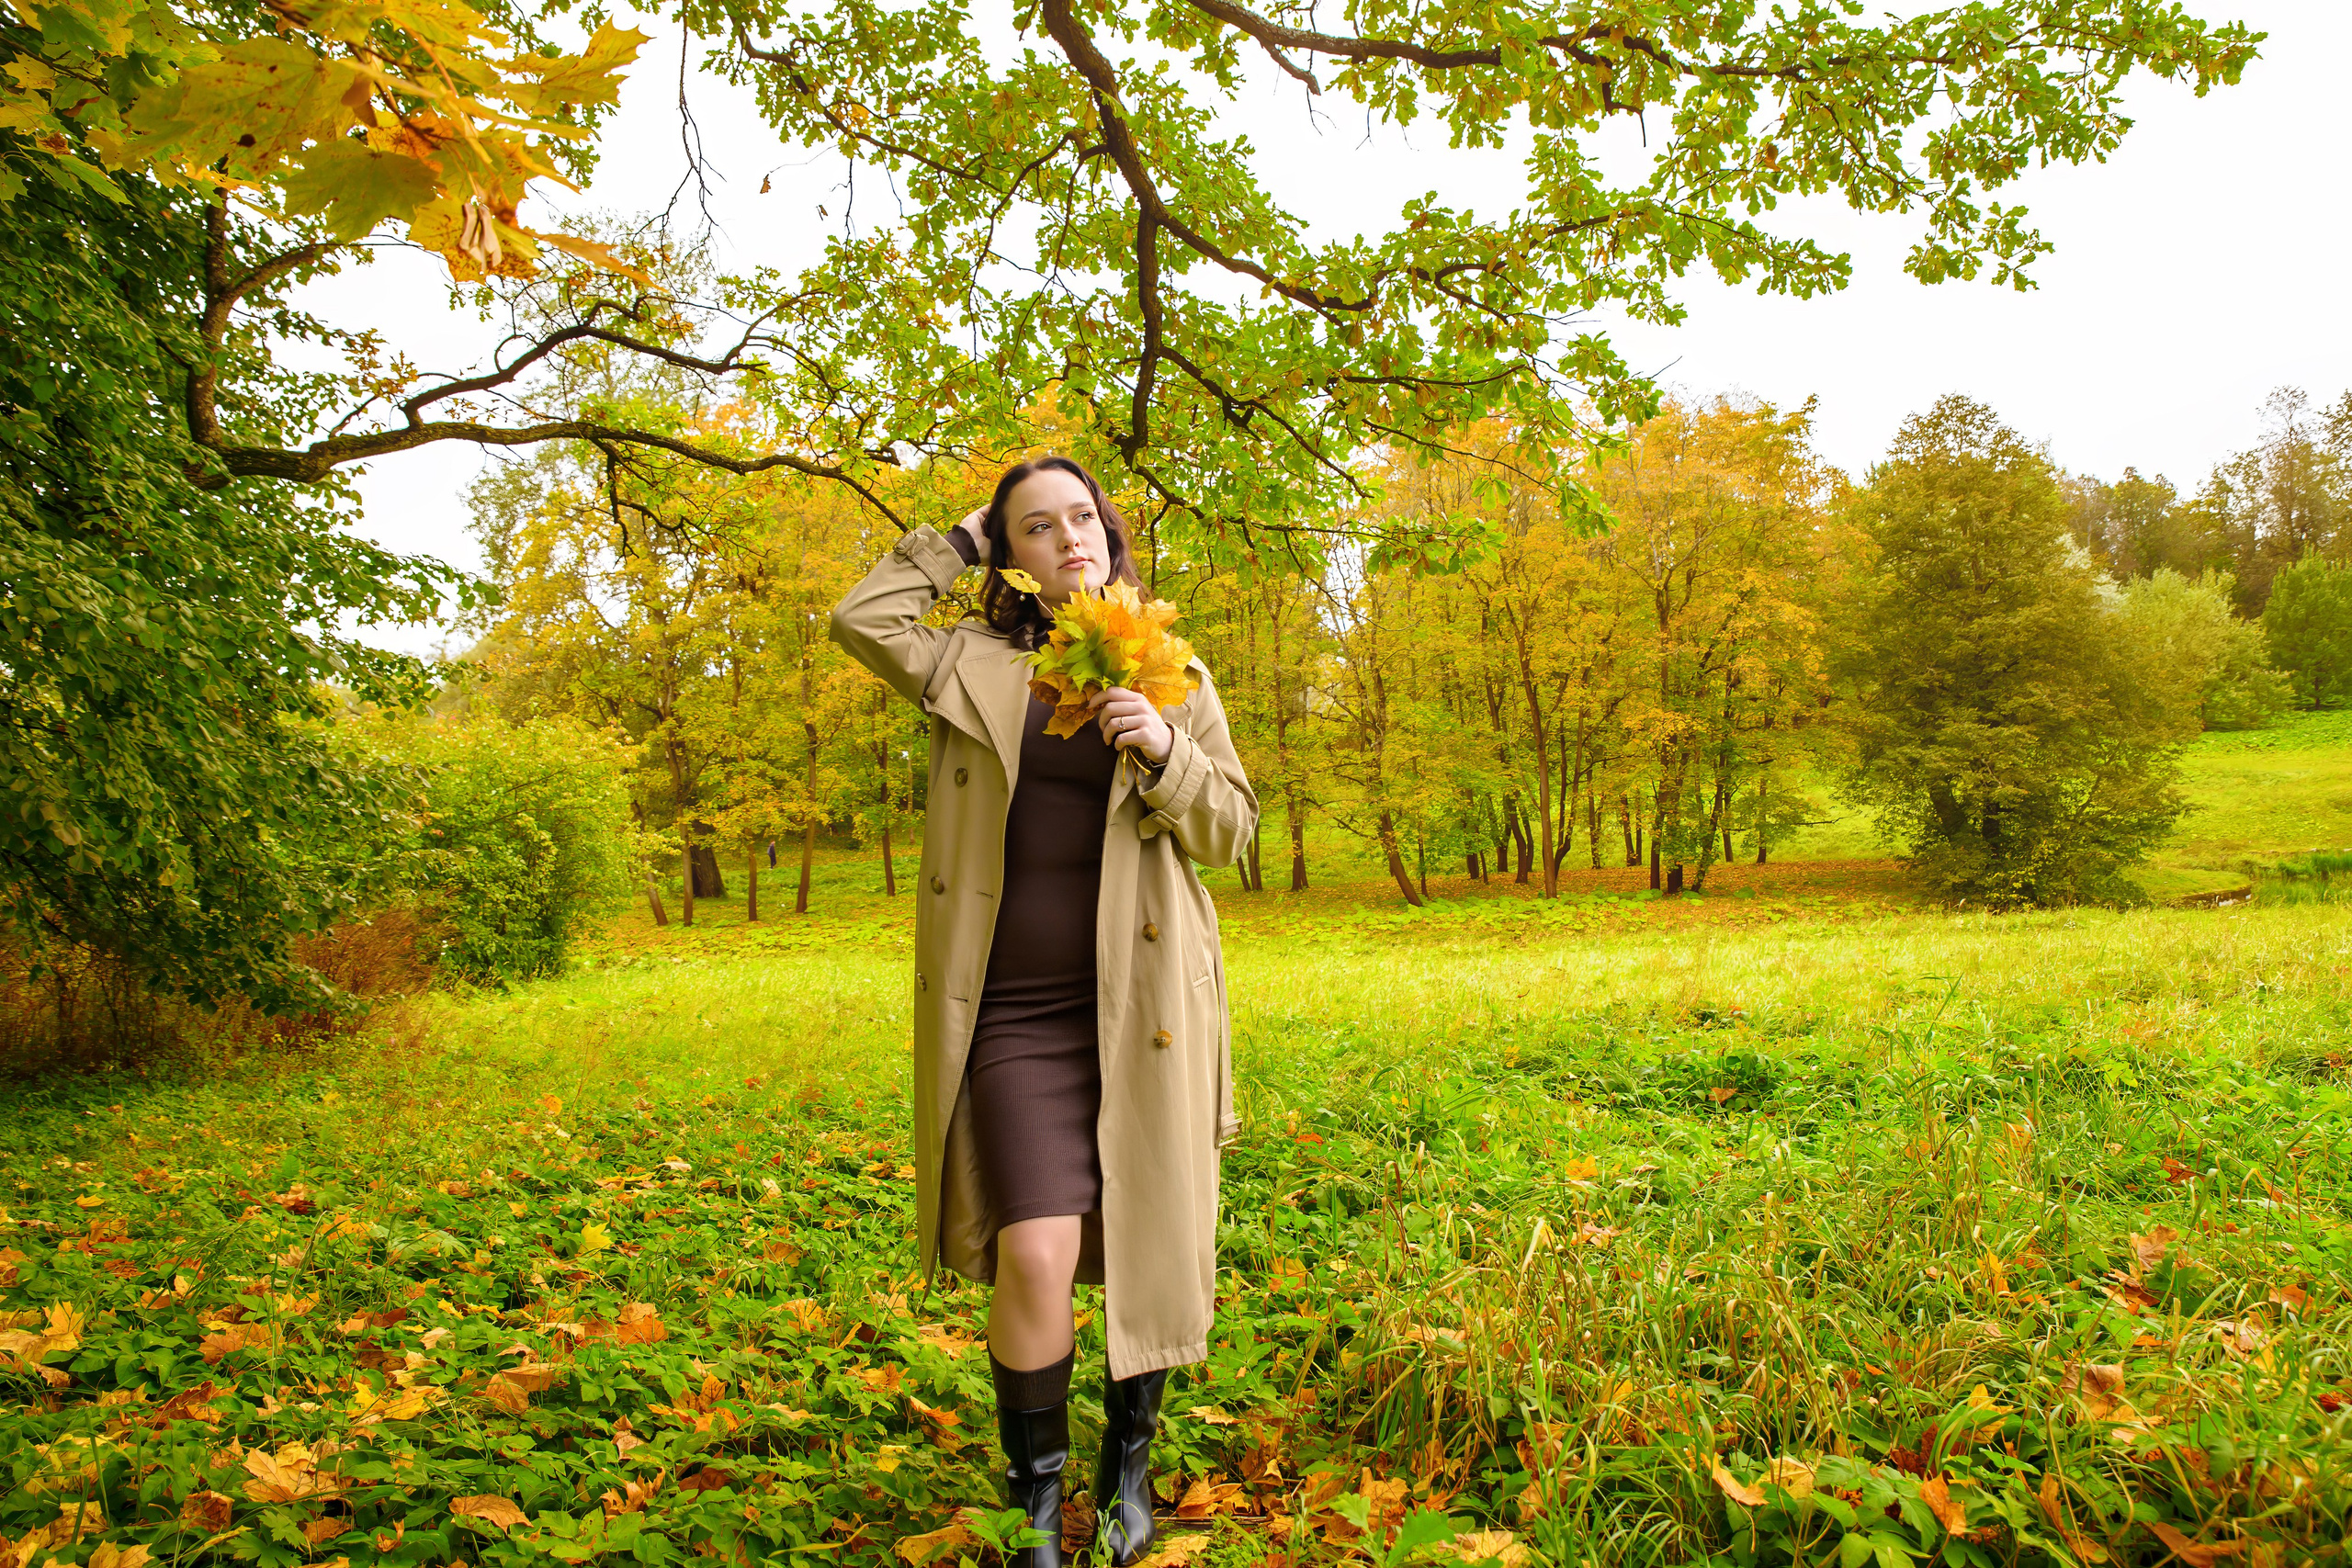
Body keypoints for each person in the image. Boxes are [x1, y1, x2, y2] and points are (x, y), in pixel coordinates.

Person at [828, 457, 1257, 1565]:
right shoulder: (966, 664)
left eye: (1080, 517)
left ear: (1107, 532)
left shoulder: (1177, 677)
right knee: (1035, 1251)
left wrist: (1163, 752)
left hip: (1144, 1006)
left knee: (1147, 1240)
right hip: (1011, 1012)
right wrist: (959, 538)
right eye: (1033, 527)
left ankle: (1127, 1471)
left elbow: (1230, 836)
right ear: (1012, 556)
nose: (1066, 538)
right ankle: (1031, 1501)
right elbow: (861, 617)